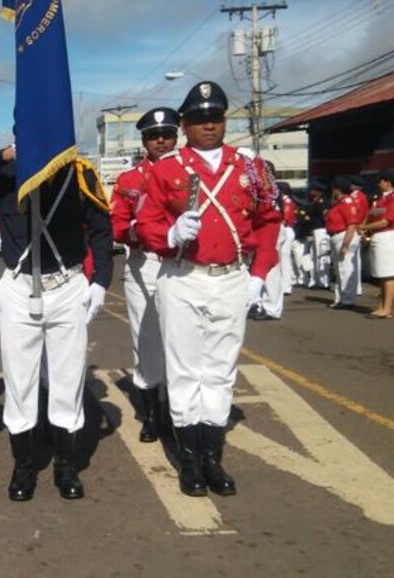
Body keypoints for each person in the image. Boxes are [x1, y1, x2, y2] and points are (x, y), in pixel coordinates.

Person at [136, 81, 280, 498]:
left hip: (233, 277)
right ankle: (190, 460)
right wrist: (170, 234)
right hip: (183, 276)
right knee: (184, 369)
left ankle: (213, 457)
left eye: (215, 117)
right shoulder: (166, 169)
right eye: (199, 119)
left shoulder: (251, 167)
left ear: (224, 120)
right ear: (185, 125)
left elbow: (270, 221)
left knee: (220, 369)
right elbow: (145, 224)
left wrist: (260, 274)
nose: (209, 126)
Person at [0, 142, 113, 502]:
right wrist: (6, 155)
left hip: (67, 284)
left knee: (68, 377)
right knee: (20, 378)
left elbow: (101, 228)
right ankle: (23, 465)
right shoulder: (6, 173)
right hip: (20, 286)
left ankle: (66, 466)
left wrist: (101, 280)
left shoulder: (80, 174)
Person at [111, 106, 178, 442]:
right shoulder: (129, 180)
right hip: (146, 261)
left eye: (167, 134)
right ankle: (153, 414)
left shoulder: (191, 173)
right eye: (154, 136)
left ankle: (180, 412)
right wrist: (137, 230)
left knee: (182, 340)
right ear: (144, 140)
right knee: (147, 340)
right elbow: (118, 225)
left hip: (183, 263)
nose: (161, 140)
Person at [251, 181, 295, 321]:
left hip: (271, 229)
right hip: (271, 229)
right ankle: (264, 304)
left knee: (271, 269)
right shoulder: (270, 190)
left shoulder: (269, 191)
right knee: (267, 268)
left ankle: (271, 308)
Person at [358, 169, 394, 319]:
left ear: (388, 182)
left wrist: (364, 228)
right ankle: (382, 305)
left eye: (381, 180)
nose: (379, 183)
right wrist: (365, 229)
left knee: (388, 274)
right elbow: (372, 216)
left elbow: (386, 221)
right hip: (378, 236)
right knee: (381, 274)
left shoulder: (392, 199)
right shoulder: (380, 199)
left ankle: (387, 308)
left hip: (387, 235)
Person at [326, 178, 362, 310]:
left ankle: (348, 300)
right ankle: (341, 298)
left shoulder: (346, 202)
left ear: (337, 189)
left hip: (344, 236)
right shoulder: (339, 203)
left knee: (345, 269)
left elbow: (352, 224)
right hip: (337, 236)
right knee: (339, 270)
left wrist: (345, 244)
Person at [309, 181, 331, 289]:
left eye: (313, 189)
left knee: (322, 255)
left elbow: (325, 216)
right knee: (315, 256)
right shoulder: (315, 201)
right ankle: (318, 280)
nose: (311, 191)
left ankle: (324, 282)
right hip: (315, 230)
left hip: (322, 230)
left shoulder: (323, 202)